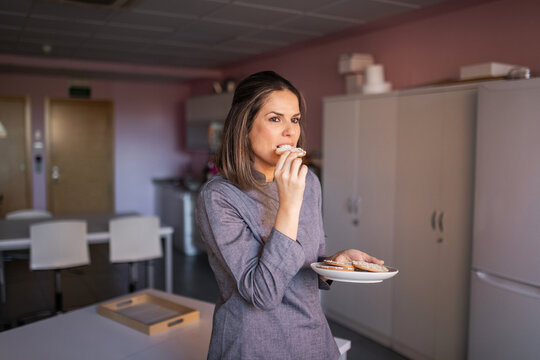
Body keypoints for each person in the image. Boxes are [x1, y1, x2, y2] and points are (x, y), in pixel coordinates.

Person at [196, 71, 384, 360]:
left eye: (294, 119)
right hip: (252, 345)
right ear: (245, 126)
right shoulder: (219, 197)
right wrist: (289, 204)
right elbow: (263, 294)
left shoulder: (308, 182)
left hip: (312, 339)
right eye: (275, 119)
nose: (290, 131)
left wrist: (335, 263)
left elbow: (303, 269)